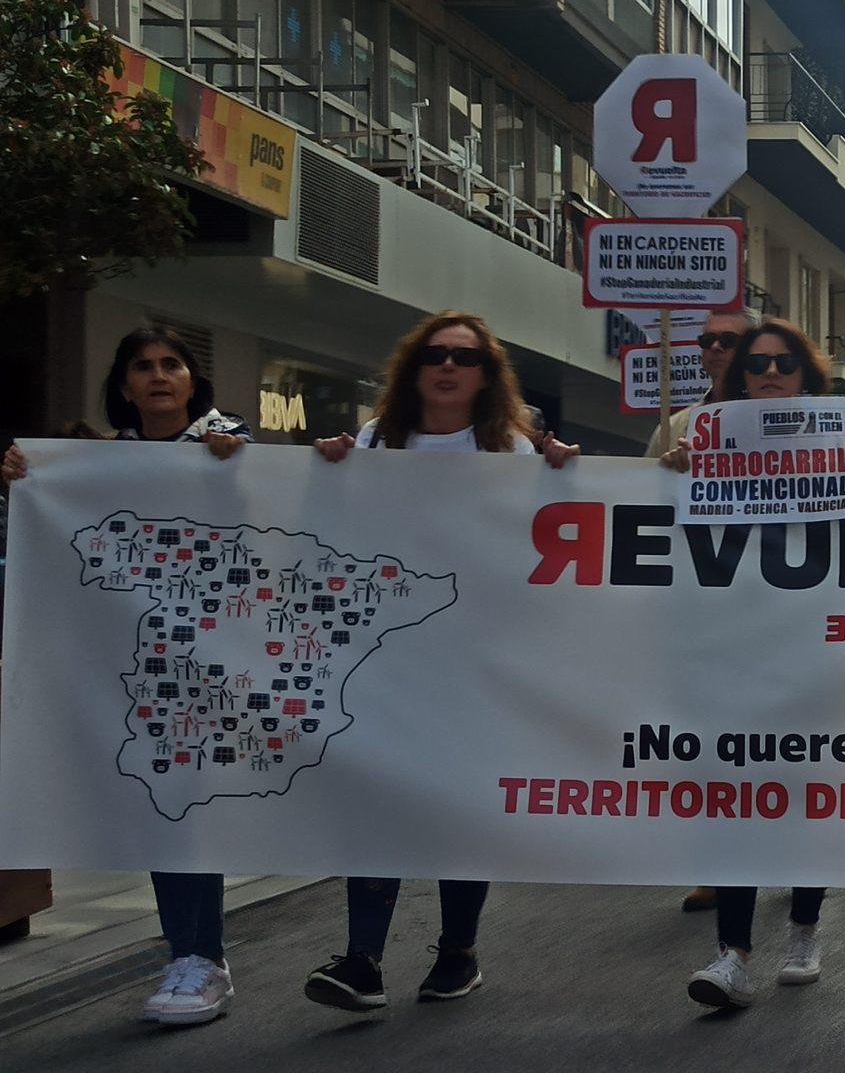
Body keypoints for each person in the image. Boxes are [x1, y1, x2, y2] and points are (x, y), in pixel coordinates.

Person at [302, 312, 577, 1012]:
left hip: (475, 662)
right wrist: (324, 471)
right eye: (434, 354)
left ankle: (457, 952)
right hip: (386, 659)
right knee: (379, 800)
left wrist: (563, 478)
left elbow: (535, 544)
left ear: (487, 375)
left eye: (465, 356)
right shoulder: (371, 441)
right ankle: (363, 958)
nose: (447, 366)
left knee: (459, 806)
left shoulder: (512, 449)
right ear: (413, 367)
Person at [4, 328, 251, 1027]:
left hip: (218, 666)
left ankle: (201, 955)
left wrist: (237, 458)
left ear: (191, 379)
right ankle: (195, 954)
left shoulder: (228, 445)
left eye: (171, 363)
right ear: (123, 386)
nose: (158, 376)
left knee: (181, 809)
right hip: (138, 670)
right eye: (142, 367)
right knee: (165, 809)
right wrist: (27, 479)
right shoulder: (94, 465)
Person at [664, 320, 845, 1011]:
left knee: (803, 797)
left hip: (813, 652)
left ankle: (804, 931)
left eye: (785, 363)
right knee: (736, 799)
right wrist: (666, 481)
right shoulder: (699, 440)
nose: (771, 373)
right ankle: (732, 954)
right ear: (740, 377)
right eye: (758, 364)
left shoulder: (840, 450)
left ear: (806, 378)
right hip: (734, 653)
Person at [643, 306, 760, 461]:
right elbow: (649, 483)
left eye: (728, 340)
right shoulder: (671, 429)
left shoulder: (776, 414)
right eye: (708, 340)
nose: (715, 347)